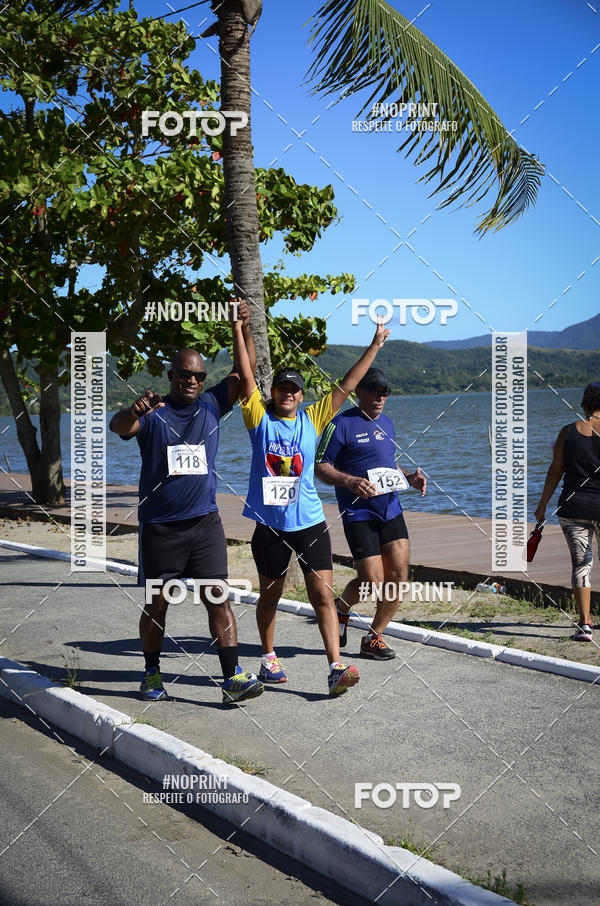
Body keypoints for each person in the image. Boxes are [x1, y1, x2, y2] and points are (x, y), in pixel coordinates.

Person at [108, 300, 264, 703]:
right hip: (161, 527)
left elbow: (245, 374)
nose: (192, 381)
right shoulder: (153, 412)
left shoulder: (212, 404)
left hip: (204, 524)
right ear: (171, 376)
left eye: (198, 376)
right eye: (184, 375)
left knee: (218, 598)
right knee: (157, 605)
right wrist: (132, 410)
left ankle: (232, 679)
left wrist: (242, 327)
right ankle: (151, 674)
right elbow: (118, 425)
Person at [231, 306, 390, 694]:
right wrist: (238, 328)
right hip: (270, 526)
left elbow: (348, 384)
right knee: (271, 594)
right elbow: (246, 374)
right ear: (273, 393)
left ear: (302, 396)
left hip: (311, 524)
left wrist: (374, 345)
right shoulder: (258, 418)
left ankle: (335, 666)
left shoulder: (313, 418)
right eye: (281, 388)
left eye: (294, 389)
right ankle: (268, 657)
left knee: (322, 595)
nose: (288, 393)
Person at [314, 367, 426, 659]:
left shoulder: (387, 423)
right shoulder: (340, 424)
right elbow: (320, 466)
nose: (380, 398)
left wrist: (409, 478)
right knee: (372, 582)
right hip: (358, 513)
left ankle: (374, 637)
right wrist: (349, 481)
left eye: (384, 393)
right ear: (358, 393)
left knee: (399, 574)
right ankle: (341, 607)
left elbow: (388, 462)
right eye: (375, 392)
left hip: (390, 508)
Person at [534, 381, 600, 642]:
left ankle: (585, 625)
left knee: (581, 564)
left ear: (584, 405)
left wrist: (542, 506)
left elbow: (555, 471)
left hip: (573, 507)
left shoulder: (567, 432)